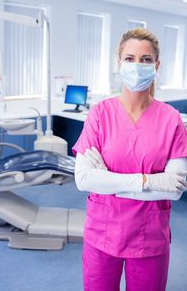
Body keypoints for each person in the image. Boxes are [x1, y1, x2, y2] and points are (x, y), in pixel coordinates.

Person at [72, 28, 187, 291]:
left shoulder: (171, 120)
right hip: (102, 236)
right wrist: (150, 181)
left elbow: (176, 190)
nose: (137, 66)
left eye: (146, 60)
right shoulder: (100, 114)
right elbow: (84, 179)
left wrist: (110, 182)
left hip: (150, 239)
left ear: (156, 66)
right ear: (119, 63)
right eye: (130, 58)